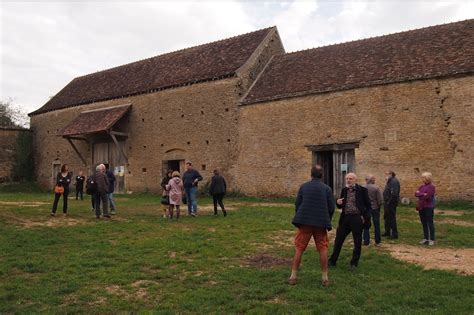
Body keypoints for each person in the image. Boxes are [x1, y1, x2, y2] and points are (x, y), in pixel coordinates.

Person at [288, 165, 335, 287]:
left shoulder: (304, 187)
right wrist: (327, 219)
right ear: (322, 175)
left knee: (299, 248)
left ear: (311, 174)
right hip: (320, 223)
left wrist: (301, 218)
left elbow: (298, 204)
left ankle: (293, 276)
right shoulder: (327, 189)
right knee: (323, 248)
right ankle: (325, 278)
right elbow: (331, 207)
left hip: (305, 222)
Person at [329, 172, 371, 270]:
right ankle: (333, 260)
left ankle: (354, 263)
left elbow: (369, 206)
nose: (348, 180)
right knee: (338, 239)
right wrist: (338, 203)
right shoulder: (344, 190)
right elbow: (340, 204)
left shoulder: (362, 190)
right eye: (347, 178)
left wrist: (365, 217)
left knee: (357, 241)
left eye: (350, 178)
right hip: (345, 218)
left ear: (355, 180)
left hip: (357, 218)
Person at [415, 172, 436, 246]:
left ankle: (432, 239)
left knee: (430, 222)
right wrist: (422, 194)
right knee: (423, 222)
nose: (422, 179)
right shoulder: (421, 186)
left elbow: (428, 196)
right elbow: (416, 194)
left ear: (427, 178)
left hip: (428, 206)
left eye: (423, 177)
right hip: (421, 206)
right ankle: (425, 238)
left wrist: (421, 194)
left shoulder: (432, 187)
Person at [363, 174, 383, 246]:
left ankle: (366, 241)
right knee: (376, 225)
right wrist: (378, 207)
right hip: (375, 208)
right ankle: (377, 241)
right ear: (372, 180)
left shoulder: (363, 187)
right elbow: (380, 200)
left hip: (366, 209)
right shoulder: (376, 188)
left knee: (366, 224)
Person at [382, 170, 401, 239]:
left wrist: (389, 202)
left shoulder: (394, 181)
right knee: (387, 217)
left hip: (391, 203)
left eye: (387, 174)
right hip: (387, 202)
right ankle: (387, 231)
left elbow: (394, 194)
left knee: (391, 218)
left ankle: (394, 234)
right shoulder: (389, 181)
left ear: (391, 174)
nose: (386, 175)